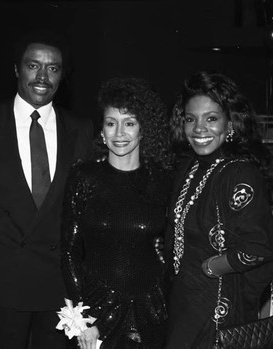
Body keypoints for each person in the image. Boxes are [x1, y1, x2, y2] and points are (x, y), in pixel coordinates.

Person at [0, 30, 93, 349]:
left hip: (58, 283)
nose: (43, 76)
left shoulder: (80, 128)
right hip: (2, 280)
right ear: (17, 69)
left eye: (53, 68)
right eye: (33, 65)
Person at [164, 71, 273, 348]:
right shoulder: (187, 168)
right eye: (191, 119)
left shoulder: (239, 172)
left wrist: (212, 267)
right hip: (182, 302)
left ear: (230, 124)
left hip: (217, 306)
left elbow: (259, 248)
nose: (199, 129)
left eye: (211, 118)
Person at [61, 77, 173, 349]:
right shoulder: (84, 177)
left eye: (129, 123)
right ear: (102, 130)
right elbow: (69, 251)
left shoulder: (163, 180)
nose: (119, 133)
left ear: (143, 129)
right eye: (111, 123)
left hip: (149, 308)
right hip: (96, 310)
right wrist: (81, 318)